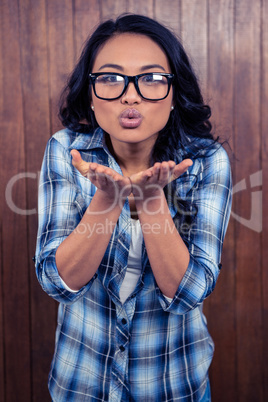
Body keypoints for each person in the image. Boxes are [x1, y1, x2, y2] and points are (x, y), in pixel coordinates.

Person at [35, 13, 232, 402]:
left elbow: (190, 293)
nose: (130, 95)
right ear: (90, 95)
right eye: (110, 78)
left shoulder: (207, 161)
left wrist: (152, 202)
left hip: (175, 386)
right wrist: (106, 202)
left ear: (175, 94)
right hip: (81, 385)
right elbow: (56, 281)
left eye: (152, 78)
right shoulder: (66, 150)